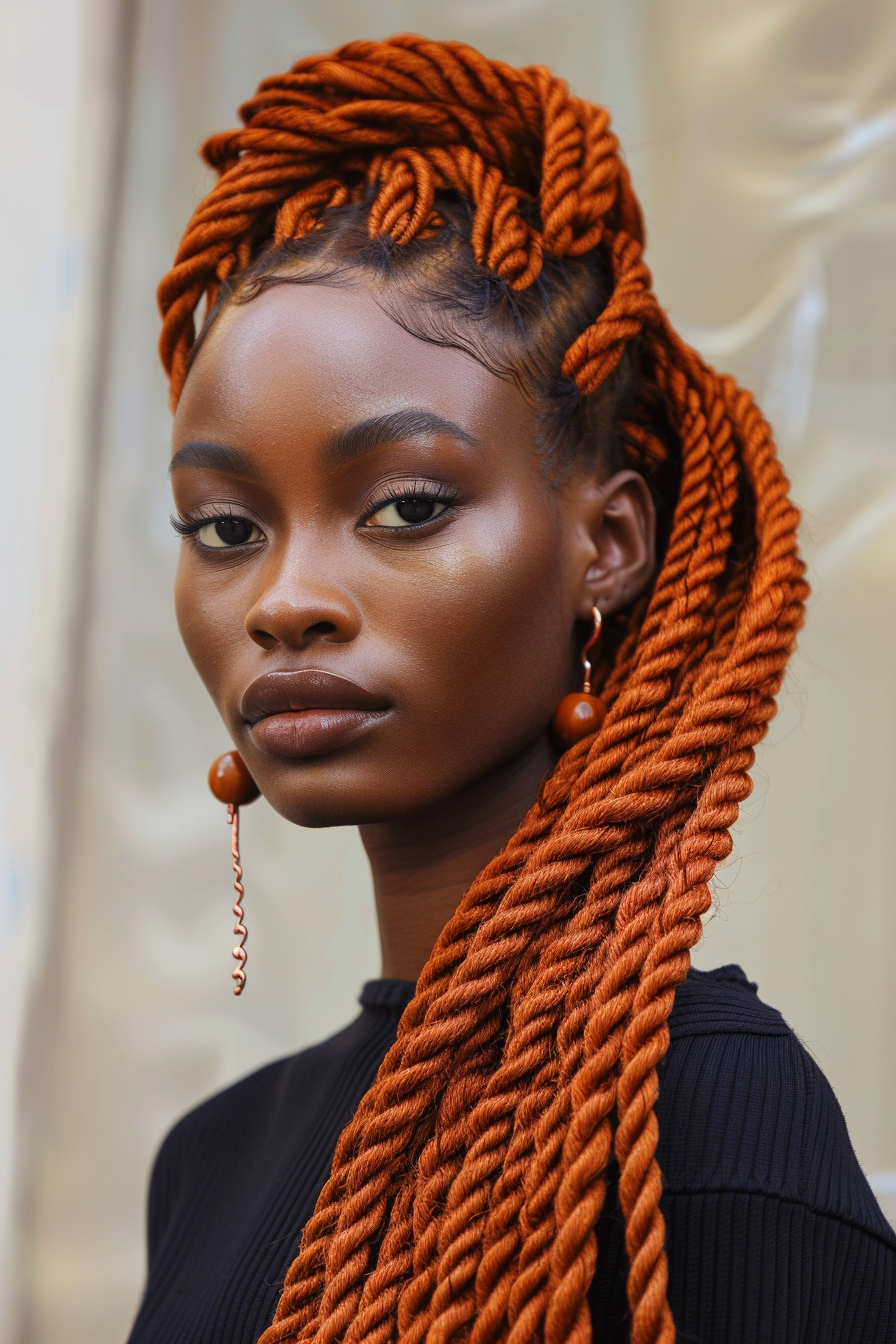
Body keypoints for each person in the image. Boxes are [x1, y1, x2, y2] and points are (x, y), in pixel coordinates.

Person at [127, 34, 895, 1344]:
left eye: (406, 505)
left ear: (606, 545)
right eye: (224, 527)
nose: (281, 600)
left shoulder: (711, 1133)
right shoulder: (205, 1166)